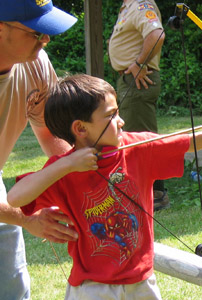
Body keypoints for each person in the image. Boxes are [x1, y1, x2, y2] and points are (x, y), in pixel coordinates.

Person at [7, 74, 202, 300]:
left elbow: (189, 140)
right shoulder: (64, 170)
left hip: (141, 281)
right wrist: (65, 165)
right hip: (92, 288)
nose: (120, 121)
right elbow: (16, 197)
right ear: (80, 128)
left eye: (117, 111)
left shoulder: (137, 148)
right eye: (111, 115)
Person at [0, 0, 78, 299]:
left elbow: (48, 129)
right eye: (36, 32)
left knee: (12, 289)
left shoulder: (36, 62)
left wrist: (75, 176)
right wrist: (27, 218)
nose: (46, 39)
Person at [108, 0, 168, 211]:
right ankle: (145, 192)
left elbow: (157, 35)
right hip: (131, 80)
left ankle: (155, 194)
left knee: (141, 138)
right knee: (135, 138)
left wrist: (139, 62)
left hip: (139, 79)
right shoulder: (129, 6)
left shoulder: (141, 4)